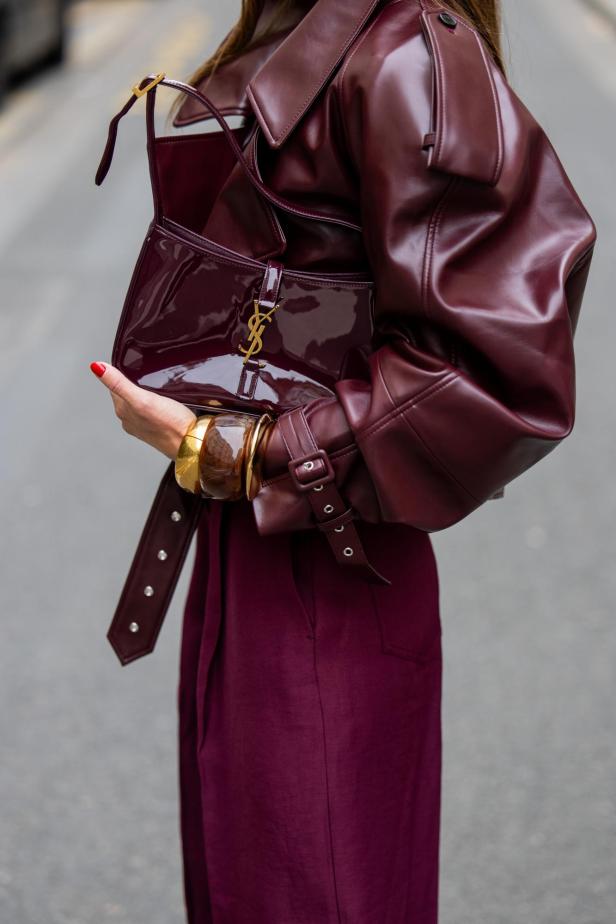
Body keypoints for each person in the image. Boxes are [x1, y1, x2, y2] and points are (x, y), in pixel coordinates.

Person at [89, 0, 597, 921]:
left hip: (329, 569)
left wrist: (252, 451)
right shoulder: (296, 26)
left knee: (318, 888)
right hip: (249, 549)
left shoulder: (409, 54)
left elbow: (491, 367)